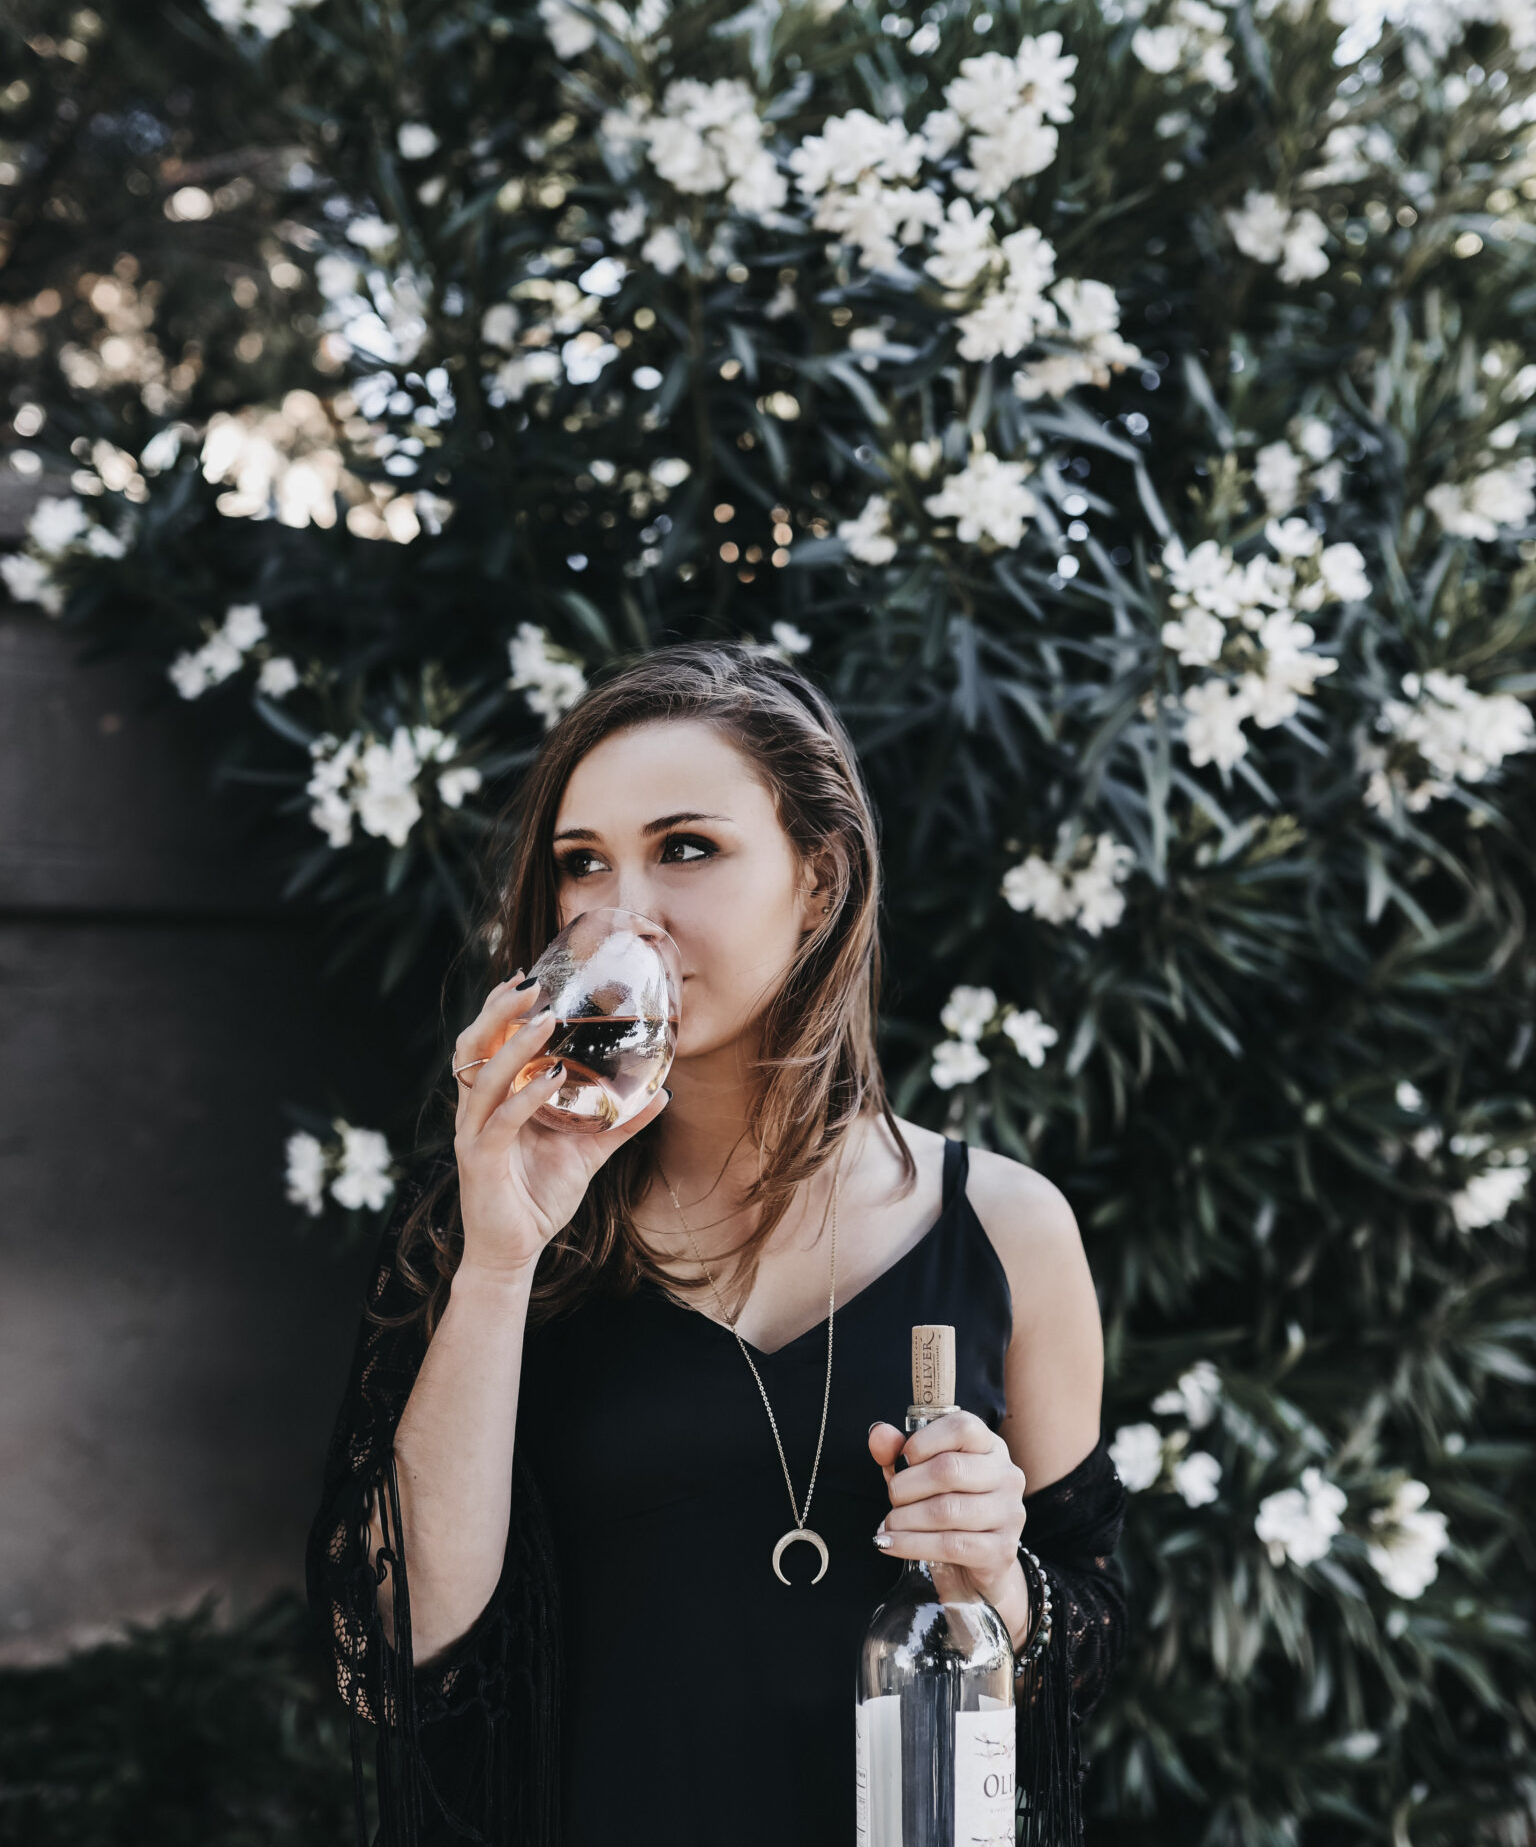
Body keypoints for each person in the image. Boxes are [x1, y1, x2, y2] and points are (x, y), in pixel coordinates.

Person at [306, 640, 1128, 1847]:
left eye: (686, 848)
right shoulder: (484, 1225)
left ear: (821, 881)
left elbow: (1090, 1642)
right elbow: (398, 1650)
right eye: (583, 864)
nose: (622, 911)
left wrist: (996, 1579)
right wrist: (498, 1257)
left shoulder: (1007, 1227)